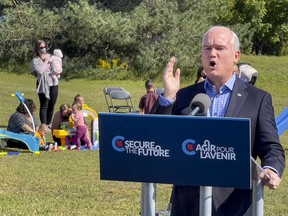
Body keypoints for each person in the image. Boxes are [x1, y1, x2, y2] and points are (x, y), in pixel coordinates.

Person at [153, 26, 285, 216]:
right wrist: (169, 96)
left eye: (219, 48)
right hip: (188, 205)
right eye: (207, 49)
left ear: (236, 56)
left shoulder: (258, 99)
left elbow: (271, 147)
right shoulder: (185, 96)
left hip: (234, 205)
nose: (212, 54)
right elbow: (159, 138)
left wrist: (271, 168)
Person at [31, 39, 60, 127]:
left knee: (52, 104)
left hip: (54, 83)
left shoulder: (51, 56)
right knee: (44, 105)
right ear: (37, 48)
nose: (44, 49)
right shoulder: (35, 60)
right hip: (43, 84)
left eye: (45, 47)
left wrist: (57, 71)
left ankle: (48, 123)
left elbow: (57, 67)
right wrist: (46, 61)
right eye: (41, 47)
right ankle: (43, 125)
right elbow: (40, 71)